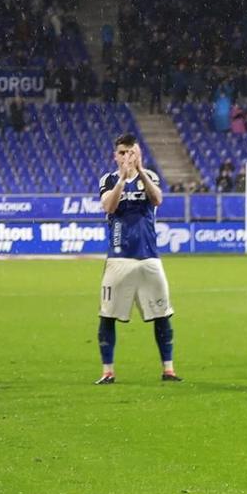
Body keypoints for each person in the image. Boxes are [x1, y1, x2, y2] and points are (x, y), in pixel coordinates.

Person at [95, 134, 179, 384]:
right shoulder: (108, 180)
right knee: (107, 315)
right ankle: (108, 371)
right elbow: (109, 207)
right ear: (115, 155)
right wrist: (122, 178)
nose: (126, 157)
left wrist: (140, 171)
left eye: (130, 152)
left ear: (138, 153)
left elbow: (157, 199)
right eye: (122, 153)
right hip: (119, 259)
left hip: (149, 258)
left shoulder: (149, 177)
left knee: (162, 314)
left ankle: (169, 369)